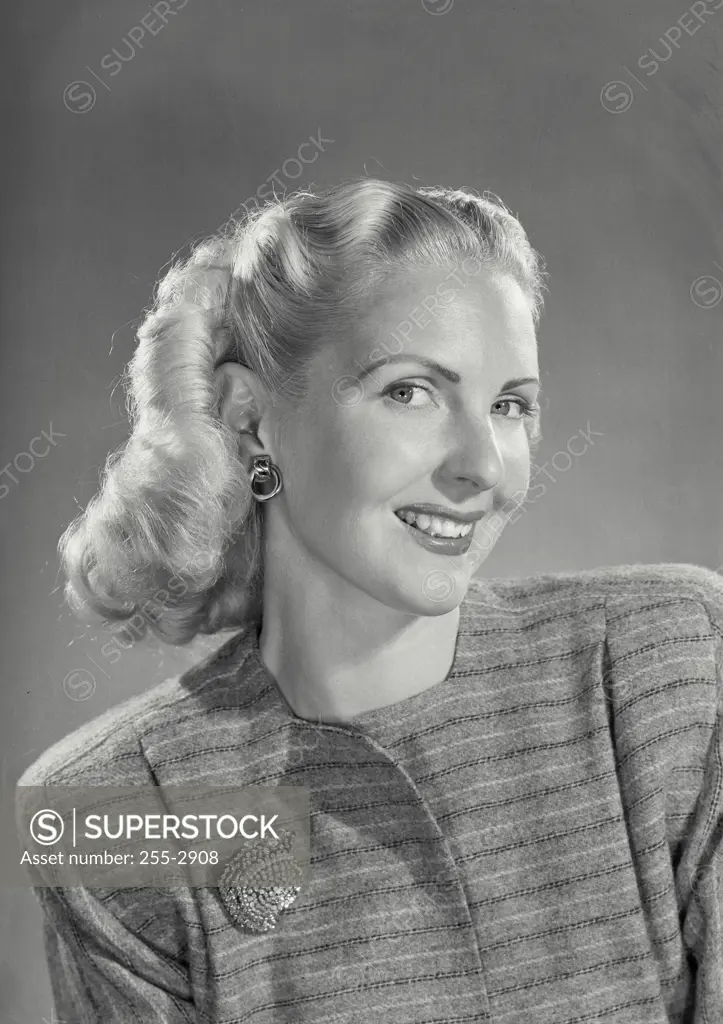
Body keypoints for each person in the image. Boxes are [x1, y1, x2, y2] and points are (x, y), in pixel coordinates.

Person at [17, 178, 723, 1023]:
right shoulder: (109, 813)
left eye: (508, 406)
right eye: (410, 392)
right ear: (251, 419)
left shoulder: (668, 670)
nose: (483, 467)